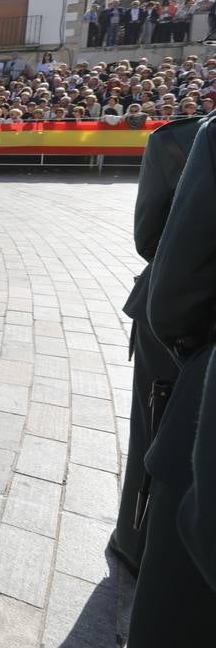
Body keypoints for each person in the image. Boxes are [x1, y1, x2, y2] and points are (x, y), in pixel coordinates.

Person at [107, 111, 206, 580]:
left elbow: (151, 240)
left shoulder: (180, 140)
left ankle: (135, 538)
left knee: (153, 428)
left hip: (182, 317)